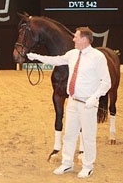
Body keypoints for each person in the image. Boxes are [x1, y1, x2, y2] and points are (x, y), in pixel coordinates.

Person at [27, 27, 111, 178]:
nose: (73, 39)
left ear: (84, 39)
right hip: (72, 101)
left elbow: (106, 82)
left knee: (88, 136)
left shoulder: (97, 57)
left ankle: (88, 165)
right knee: (69, 134)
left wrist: (95, 97)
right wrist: (36, 56)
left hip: (88, 103)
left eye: (76, 37)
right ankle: (67, 163)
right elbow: (56, 60)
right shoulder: (72, 54)